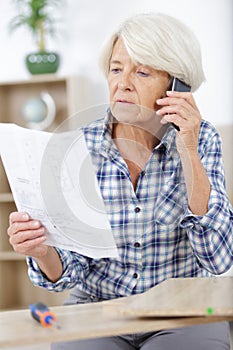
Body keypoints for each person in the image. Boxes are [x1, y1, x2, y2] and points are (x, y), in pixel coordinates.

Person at [7, 12, 233, 350]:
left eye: (142, 71)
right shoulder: (75, 149)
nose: (123, 83)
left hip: (184, 313)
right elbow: (68, 273)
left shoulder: (200, 140)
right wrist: (42, 251)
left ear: (177, 86)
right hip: (98, 310)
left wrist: (187, 148)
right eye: (116, 68)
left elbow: (218, 258)